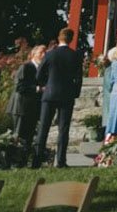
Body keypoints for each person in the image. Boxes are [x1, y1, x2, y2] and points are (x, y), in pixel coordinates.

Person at [33, 28, 84, 168]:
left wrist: (46, 84)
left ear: (59, 38)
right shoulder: (75, 56)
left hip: (49, 94)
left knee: (43, 128)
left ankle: (37, 160)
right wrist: (75, 93)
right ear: (71, 39)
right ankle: (61, 161)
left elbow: (38, 75)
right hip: (67, 95)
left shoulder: (50, 54)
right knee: (64, 129)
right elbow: (79, 78)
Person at [7, 44, 46, 141]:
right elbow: (19, 87)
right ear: (33, 54)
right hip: (21, 108)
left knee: (28, 138)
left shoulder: (42, 70)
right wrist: (38, 89)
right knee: (19, 138)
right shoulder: (26, 67)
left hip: (32, 109)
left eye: (45, 52)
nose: (44, 55)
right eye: (41, 52)